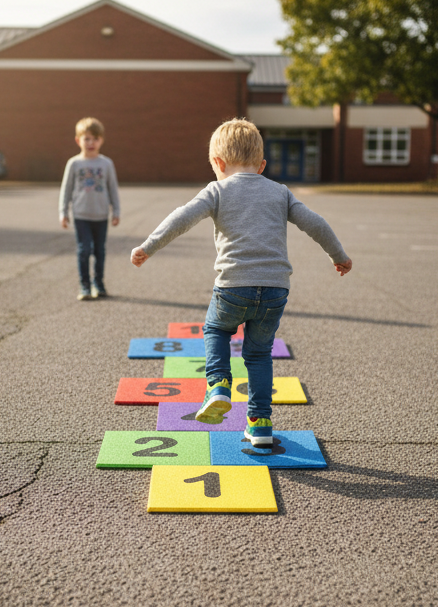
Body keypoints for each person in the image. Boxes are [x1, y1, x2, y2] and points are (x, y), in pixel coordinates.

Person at [130, 118, 352, 446]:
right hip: (276, 288)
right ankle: (260, 425)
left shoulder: (217, 189)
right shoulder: (280, 192)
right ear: (261, 165)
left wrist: (147, 246)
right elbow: (315, 223)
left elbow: (182, 218)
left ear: (218, 163)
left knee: (216, 330)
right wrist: (339, 255)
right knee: (259, 354)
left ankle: (218, 385)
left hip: (233, 285)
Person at [59, 117, 121, 300]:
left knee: (99, 251)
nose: (91, 143)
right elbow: (66, 189)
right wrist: (63, 213)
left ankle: (99, 284)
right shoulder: (74, 164)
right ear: (78, 140)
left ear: (101, 140)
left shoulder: (106, 164)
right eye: (87, 138)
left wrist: (116, 212)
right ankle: (84, 285)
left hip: (101, 216)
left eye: (95, 138)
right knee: (84, 249)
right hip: (81, 215)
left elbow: (113, 189)